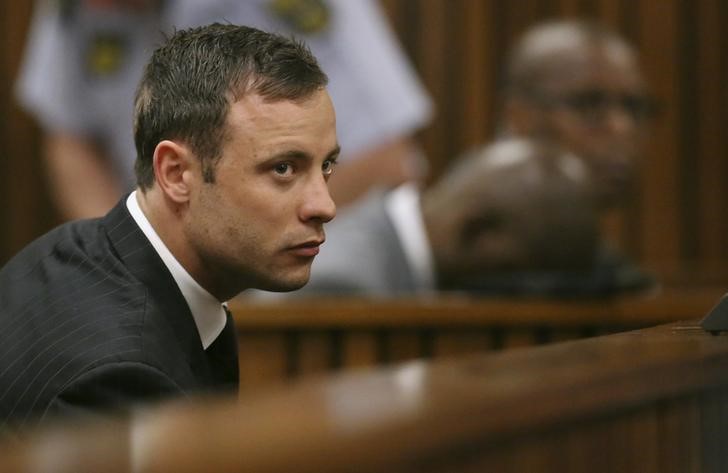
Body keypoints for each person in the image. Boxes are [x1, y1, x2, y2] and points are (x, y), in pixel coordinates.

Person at [0, 23, 337, 430]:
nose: (325, 205)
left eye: (327, 165)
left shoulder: (69, 249)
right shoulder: (122, 379)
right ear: (177, 174)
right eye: (283, 168)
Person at [16, 0, 432, 219]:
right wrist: (123, 257)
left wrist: (221, 253)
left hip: (318, 271)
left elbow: (382, 160)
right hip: (166, 269)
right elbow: (69, 137)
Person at [281, 137, 603, 297]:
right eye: (530, 270)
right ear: (475, 229)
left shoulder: (379, 249)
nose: (522, 293)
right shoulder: (343, 285)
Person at [500, 19, 655, 212]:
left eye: (633, 107)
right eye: (589, 104)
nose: (621, 127)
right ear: (520, 118)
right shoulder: (469, 237)